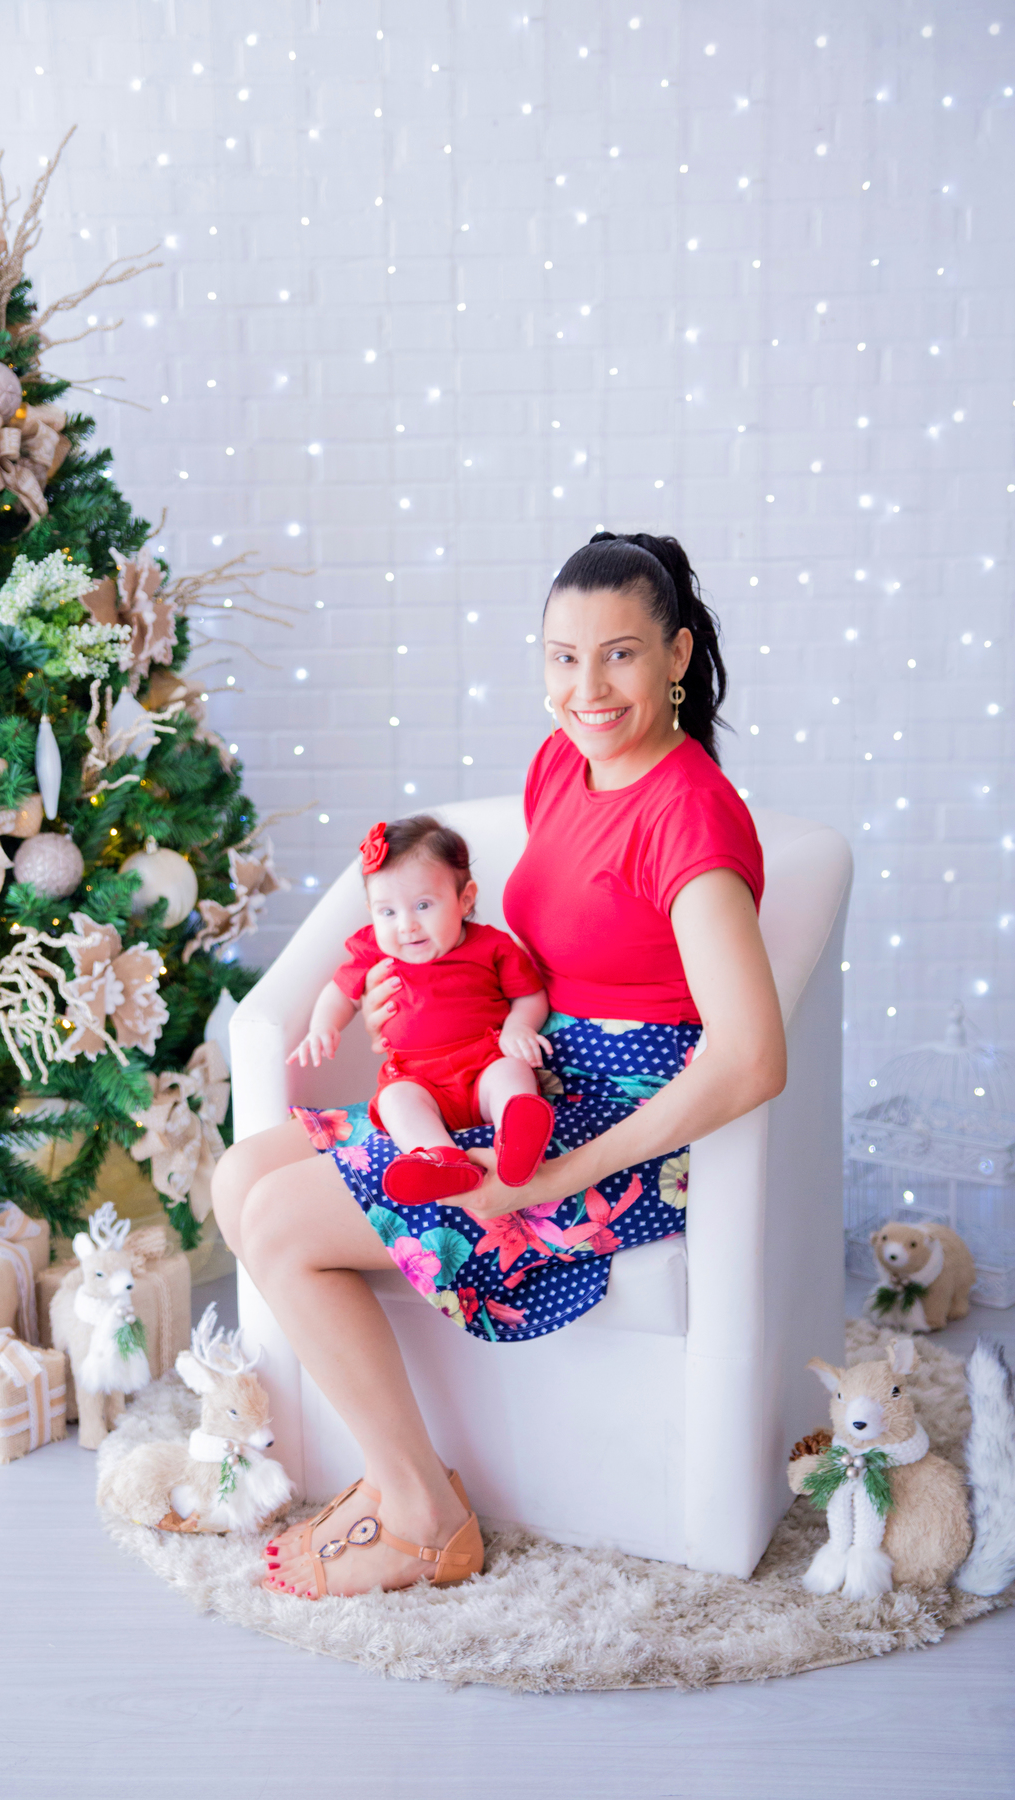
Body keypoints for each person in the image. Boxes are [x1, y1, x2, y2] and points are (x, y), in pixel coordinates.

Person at [213, 531, 786, 1602]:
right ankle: (397, 1481)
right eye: (562, 657)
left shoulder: (692, 818)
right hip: (532, 1077)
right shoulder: (562, 766)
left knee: (284, 1224)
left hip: (622, 1135)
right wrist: (413, 994)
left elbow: (752, 1059)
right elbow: (539, 951)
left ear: (677, 655)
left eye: (619, 655)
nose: (587, 687)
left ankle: (427, 1518)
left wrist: (550, 1176)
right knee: (240, 1178)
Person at [288, 812, 555, 1203]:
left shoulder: (491, 946)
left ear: (465, 899)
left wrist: (519, 1026)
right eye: (388, 912)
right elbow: (341, 992)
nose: (406, 926)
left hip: (483, 1062)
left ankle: (517, 1138)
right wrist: (323, 1026)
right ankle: (440, 1160)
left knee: (512, 1071)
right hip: (417, 1079)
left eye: (423, 905)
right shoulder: (371, 949)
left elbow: (530, 995)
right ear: (370, 910)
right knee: (396, 1101)